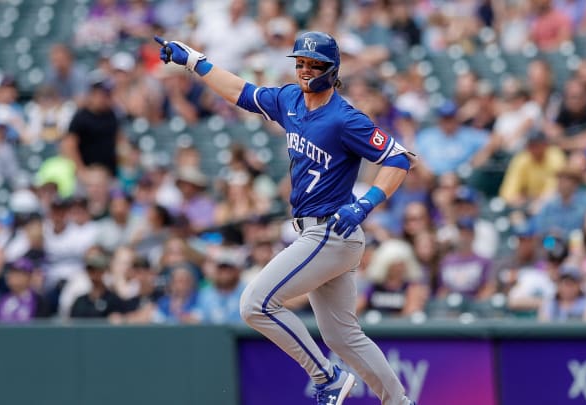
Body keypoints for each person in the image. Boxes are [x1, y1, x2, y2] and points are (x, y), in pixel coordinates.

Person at [156, 31, 416, 405]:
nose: (306, 70)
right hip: (318, 234)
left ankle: (326, 377)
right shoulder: (290, 99)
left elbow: (397, 158)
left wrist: (365, 203)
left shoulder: (345, 119)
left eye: (315, 65)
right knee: (343, 336)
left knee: (255, 305)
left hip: (330, 231)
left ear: (333, 69)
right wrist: (195, 61)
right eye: (301, 63)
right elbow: (240, 93)